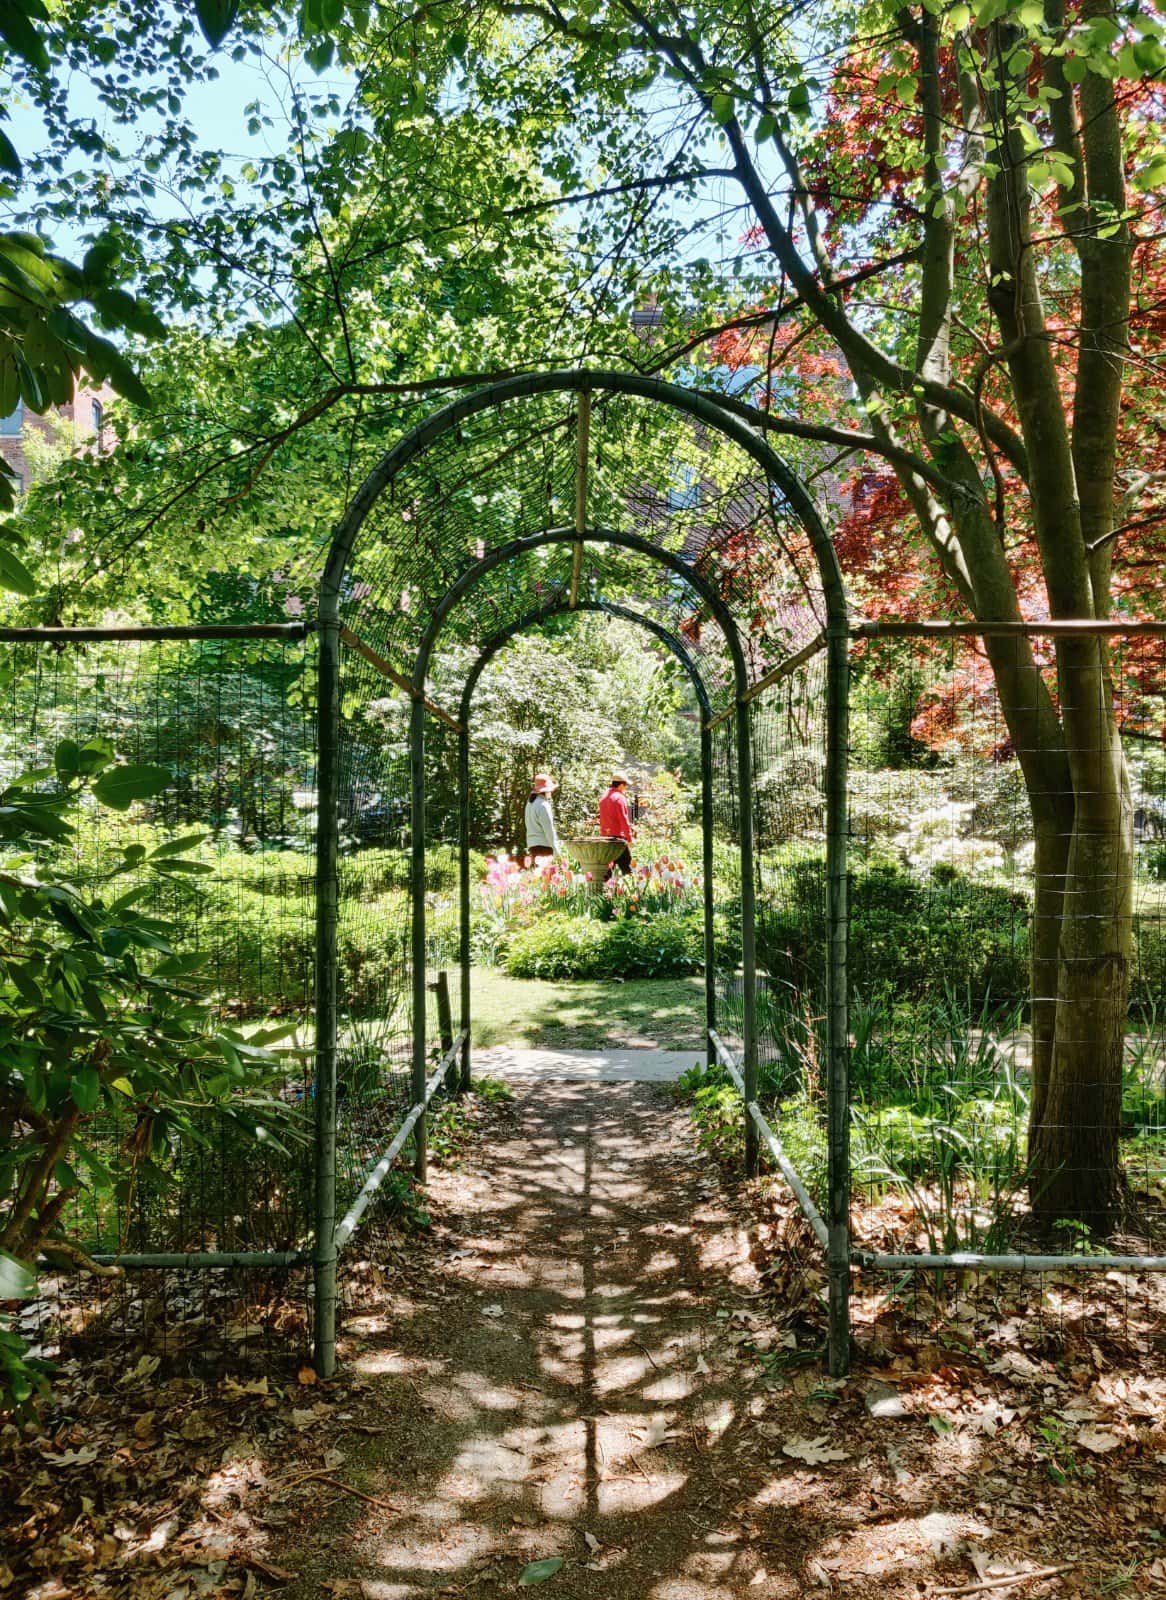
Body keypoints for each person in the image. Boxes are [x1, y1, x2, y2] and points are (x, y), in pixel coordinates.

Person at [598, 770, 634, 877]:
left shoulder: (604, 797)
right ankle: (629, 891)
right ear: (622, 785)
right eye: (626, 785)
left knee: (608, 869)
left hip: (605, 838)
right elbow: (624, 820)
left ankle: (604, 892)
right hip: (618, 838)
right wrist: (629, 838)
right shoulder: (620, 798)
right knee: (627, 868)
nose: (626, 788)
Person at [524, 772, 561, 862]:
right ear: (546, 790)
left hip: (532, 846)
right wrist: (556, 850)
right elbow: (549, 830)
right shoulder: (543, 805)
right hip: (545, 847)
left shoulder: (530, 803)